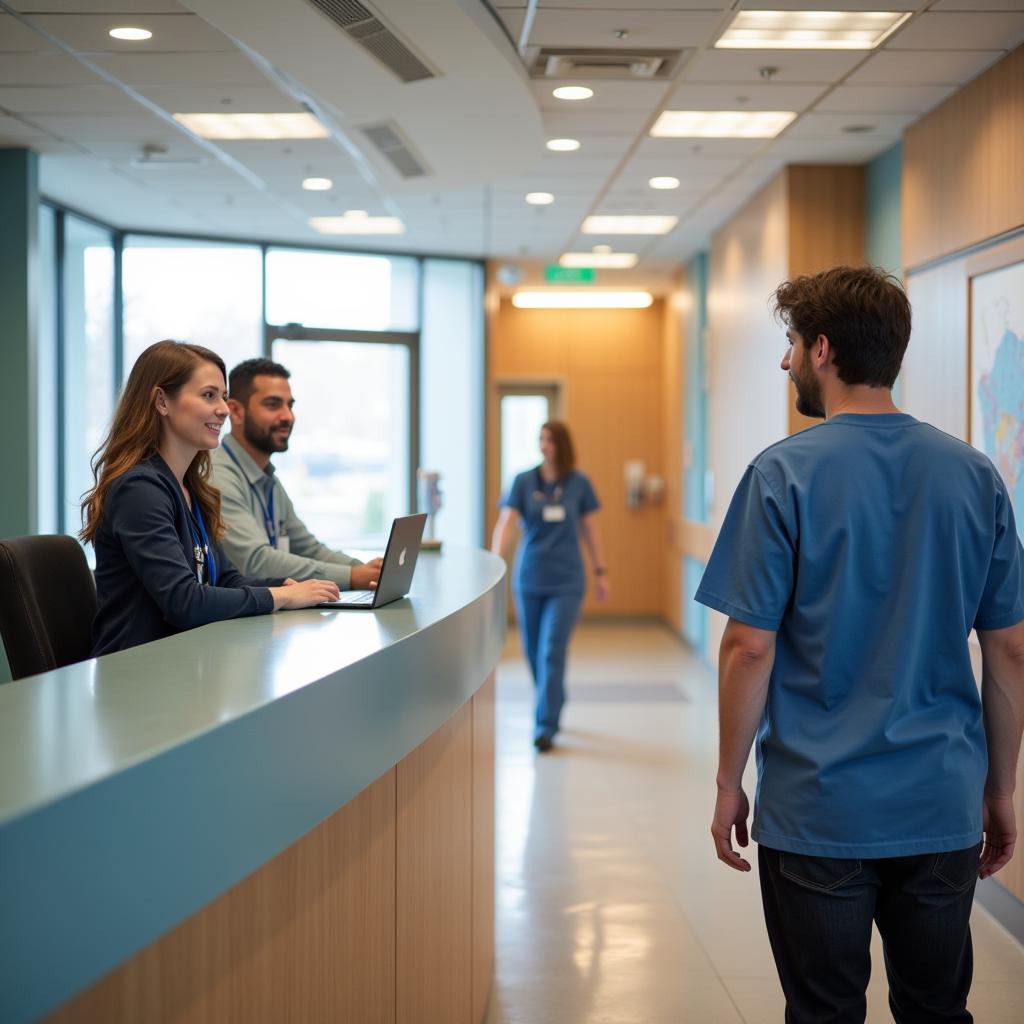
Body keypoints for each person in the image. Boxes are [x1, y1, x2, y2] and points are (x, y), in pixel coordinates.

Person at [695, 265, 1024, 1023]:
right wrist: (1000, 786)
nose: (783, 364)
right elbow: (1008, 650)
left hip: (819, 809)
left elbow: (749, 646)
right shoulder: (974, 475)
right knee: (937, 1007)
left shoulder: (782, 474)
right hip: (940, 798)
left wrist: (726, 778)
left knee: (824, 1011)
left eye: (787, 346)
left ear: (820, 349)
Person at [83, 341, 340, 656]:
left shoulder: (189, 487)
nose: (222, 409)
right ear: (162, 401)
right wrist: (280, 597)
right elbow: (184, 601)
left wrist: (286, 585)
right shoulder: (139, 490)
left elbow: (224, 577)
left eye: (224, 396)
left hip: (182, 663)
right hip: (134, 674)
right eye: (208, 395)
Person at [208, 358, 382, 591]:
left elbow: (308, 547)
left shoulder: (268, 479)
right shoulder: (217, 474)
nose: (287, 416)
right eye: (273, 405)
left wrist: (366, 570)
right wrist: (352, 575)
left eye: (289, 405)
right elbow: (256, 561)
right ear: (236, 412)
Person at [491, 420, 609, 752]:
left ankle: (546, 724)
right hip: (529, 578)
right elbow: (507, 523)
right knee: (533, 652)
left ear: (562, 445)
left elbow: (591, 530)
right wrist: (494, 562)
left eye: (550, 440)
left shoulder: (579, 483)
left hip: (567, 581)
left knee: (551, 650)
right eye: (540, 439)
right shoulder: (523, 481)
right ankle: (553, 698)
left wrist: (601, 570)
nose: (543, 446)